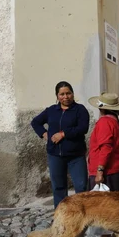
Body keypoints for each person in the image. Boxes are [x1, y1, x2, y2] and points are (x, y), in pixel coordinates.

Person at [31, 81, 89, 209]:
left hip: (76, 155)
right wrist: (44, 134)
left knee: (81, 186)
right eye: (62, 94)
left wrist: (63, 134)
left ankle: (84, 214)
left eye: (68, 93)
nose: (66, 97)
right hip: (55, 155)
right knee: (58, 187)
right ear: (57, 96)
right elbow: (35, 122)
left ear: (73, 94)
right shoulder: (51, 110)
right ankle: (60, 215)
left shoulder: (80, 110)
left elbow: (83, 128)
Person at [87, 92, 119, 237]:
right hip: (117, 169)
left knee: (103, 209)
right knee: (118, 206)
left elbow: (105, 147)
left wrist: (99, 170)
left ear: (101, 108)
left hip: (107, 170)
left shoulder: (105, 122)